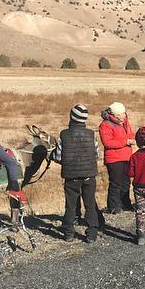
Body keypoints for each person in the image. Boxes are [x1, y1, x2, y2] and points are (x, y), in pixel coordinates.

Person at [55, 103, 102, 242]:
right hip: (89, 176)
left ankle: (69, 233)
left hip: (71, 177)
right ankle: (92, 233)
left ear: (71, 117)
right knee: (90, 204)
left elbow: (58, 157)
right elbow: (96, 154)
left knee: (70, 205)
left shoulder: (64, 134)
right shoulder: (91, 134)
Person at [99, 101, 136, 213]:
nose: (125, 115)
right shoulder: (105, 124)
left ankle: (125, 204)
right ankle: (114, 206)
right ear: (115, 114)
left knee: (126, 183)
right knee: (116, 183)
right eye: (122, 113)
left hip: (127, 156)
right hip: (114, 159)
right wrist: (125, 142)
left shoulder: (125, 122)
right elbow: (107, 143)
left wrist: (132, 139)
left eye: (124, 113)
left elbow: (130, 134)